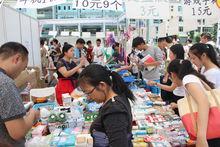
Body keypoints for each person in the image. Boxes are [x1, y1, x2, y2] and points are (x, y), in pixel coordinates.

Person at [78, 64, 135, 147]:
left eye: (88, 92)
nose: (88, 97)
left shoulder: (114, 111)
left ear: (102, 86)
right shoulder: (118, 95)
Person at [167, 59, 220, 147]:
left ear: (173, 74)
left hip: (209, 132)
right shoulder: (193, 77)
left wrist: (201, 136)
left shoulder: (188, 79)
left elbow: (204, 103)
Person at [0, 42, 40, 146]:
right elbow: (18, 132)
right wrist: (32, 114)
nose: (21, 73)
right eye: (23, 68)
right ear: (17, 59)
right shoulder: (5, 83)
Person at [148, 44, 185, 114]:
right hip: (175, 95)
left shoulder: (178, 66)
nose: (169, 55)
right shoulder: (175, 63)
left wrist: (156, 83)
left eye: (170, 53)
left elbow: (171, 88)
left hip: (178, 97)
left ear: (175, 54)